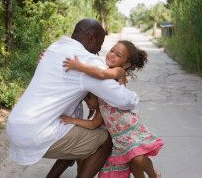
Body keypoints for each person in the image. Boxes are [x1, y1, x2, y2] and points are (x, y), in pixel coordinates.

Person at [6, 19, 139, 178]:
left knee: (76, 131)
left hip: (16, 125)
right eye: (100, 43)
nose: (100, 49)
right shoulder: (85, 61)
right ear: (91, 38)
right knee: (105, 140)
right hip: (36, 133)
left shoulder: (54, 48)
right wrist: (132, 93)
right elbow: (125, 101)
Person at [61, 40, 164, 178]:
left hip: (131, 130)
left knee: (138, 159)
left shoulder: (118, 71)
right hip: (118, 139)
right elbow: (93, 124)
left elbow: (102, 74)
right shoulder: (102, 102)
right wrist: (71, 120)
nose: (112, 55)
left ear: (126, 64)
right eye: (112, 50)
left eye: (118, 54)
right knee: (133, 163)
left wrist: (79, 66)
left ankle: (154, 175)